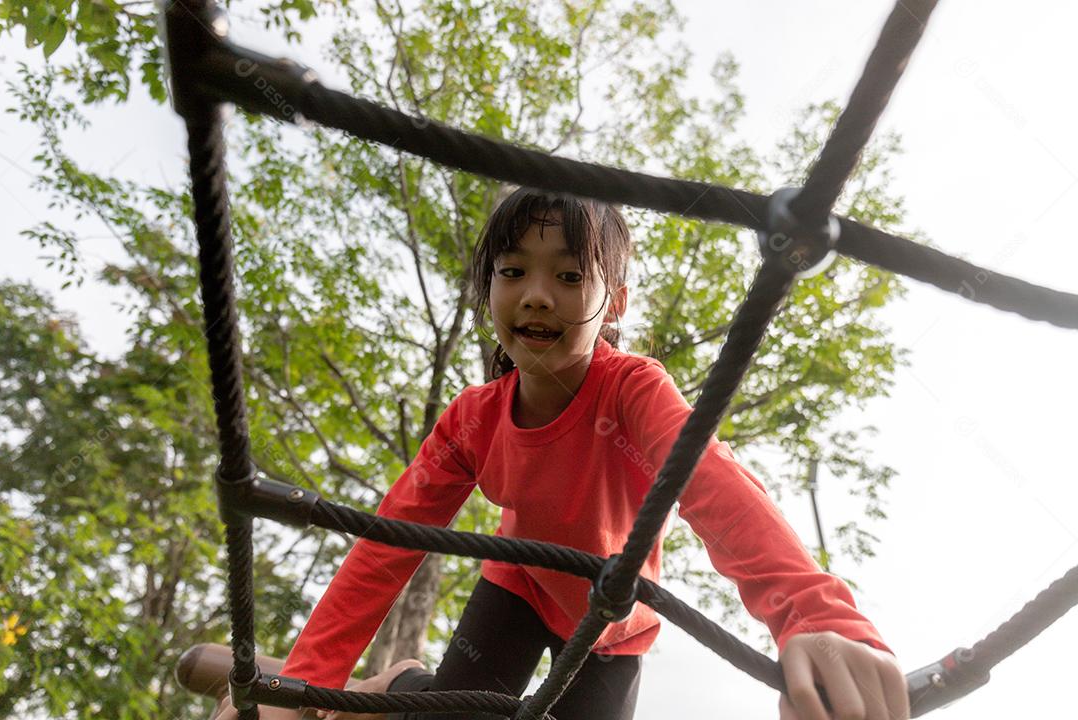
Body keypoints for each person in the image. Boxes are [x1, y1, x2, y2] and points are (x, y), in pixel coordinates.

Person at [219, 188, 908, 720]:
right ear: (488, 286)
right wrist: (304, 679)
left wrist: (815, 615)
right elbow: (383, 546)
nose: (537, 295)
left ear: (616, 301)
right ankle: (406, 685)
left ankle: (402, 688)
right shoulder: (472, 422)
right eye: (513, 270)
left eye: (571, 276)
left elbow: (717, 490)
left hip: (612, 623)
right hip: (518, 585)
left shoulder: (633, 392)